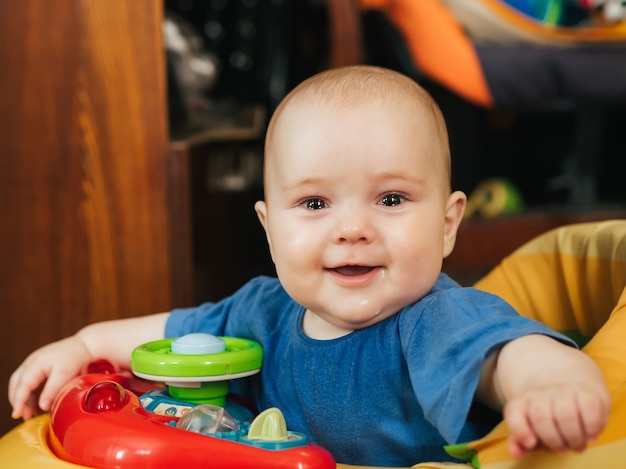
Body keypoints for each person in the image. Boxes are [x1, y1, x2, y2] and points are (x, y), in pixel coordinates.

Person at [8, 65, 610, 467]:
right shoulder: (260, 312)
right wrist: (82, 344)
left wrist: (553, 389)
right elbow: (168, 338)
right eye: (315, 203)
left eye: (391, 199)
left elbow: (511, 356)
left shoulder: (435, 319)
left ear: (448, 223)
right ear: (270, 230)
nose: (352, 229)